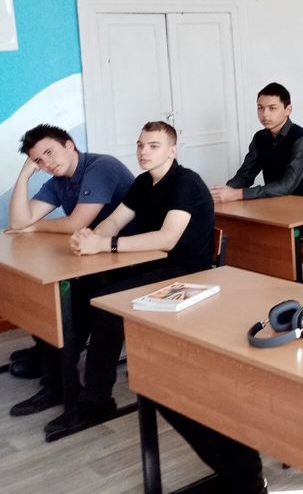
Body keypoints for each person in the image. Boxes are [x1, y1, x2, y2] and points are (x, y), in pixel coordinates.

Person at [43, 121, 215, 439]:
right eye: (140, 145)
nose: (143, 151)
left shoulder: (186, 183)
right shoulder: (143, 182)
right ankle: (62, 379)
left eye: (153, 146)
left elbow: (166, 239)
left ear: (172, 151)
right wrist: (90, 237)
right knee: (81, 287)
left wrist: (104, 245)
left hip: (188, 273)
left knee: (107, 305)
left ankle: (97, 401)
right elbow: (114, 221)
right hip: (150, 265)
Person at [6, 124, 134, 414]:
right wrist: (24, 175)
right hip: (95, 258)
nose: (47, 163)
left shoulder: (100, 167)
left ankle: (62, 377)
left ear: (69, 144)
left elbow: (76, 223)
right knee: (50, 298)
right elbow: (17, 222)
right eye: (38, 161)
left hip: (130, 259)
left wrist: (34, 226)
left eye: (49, 153)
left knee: (67, 301)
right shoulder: (58, 181)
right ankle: (57, 377)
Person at [211, 82, 303, 203]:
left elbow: (286, 186)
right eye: (260, 108)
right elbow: (245, 174)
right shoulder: (260, 137)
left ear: (288, 110)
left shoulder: (301, 139)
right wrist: (223, 192)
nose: (265, 114)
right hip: (272, 203)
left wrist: (238, 194)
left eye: (272, 108)